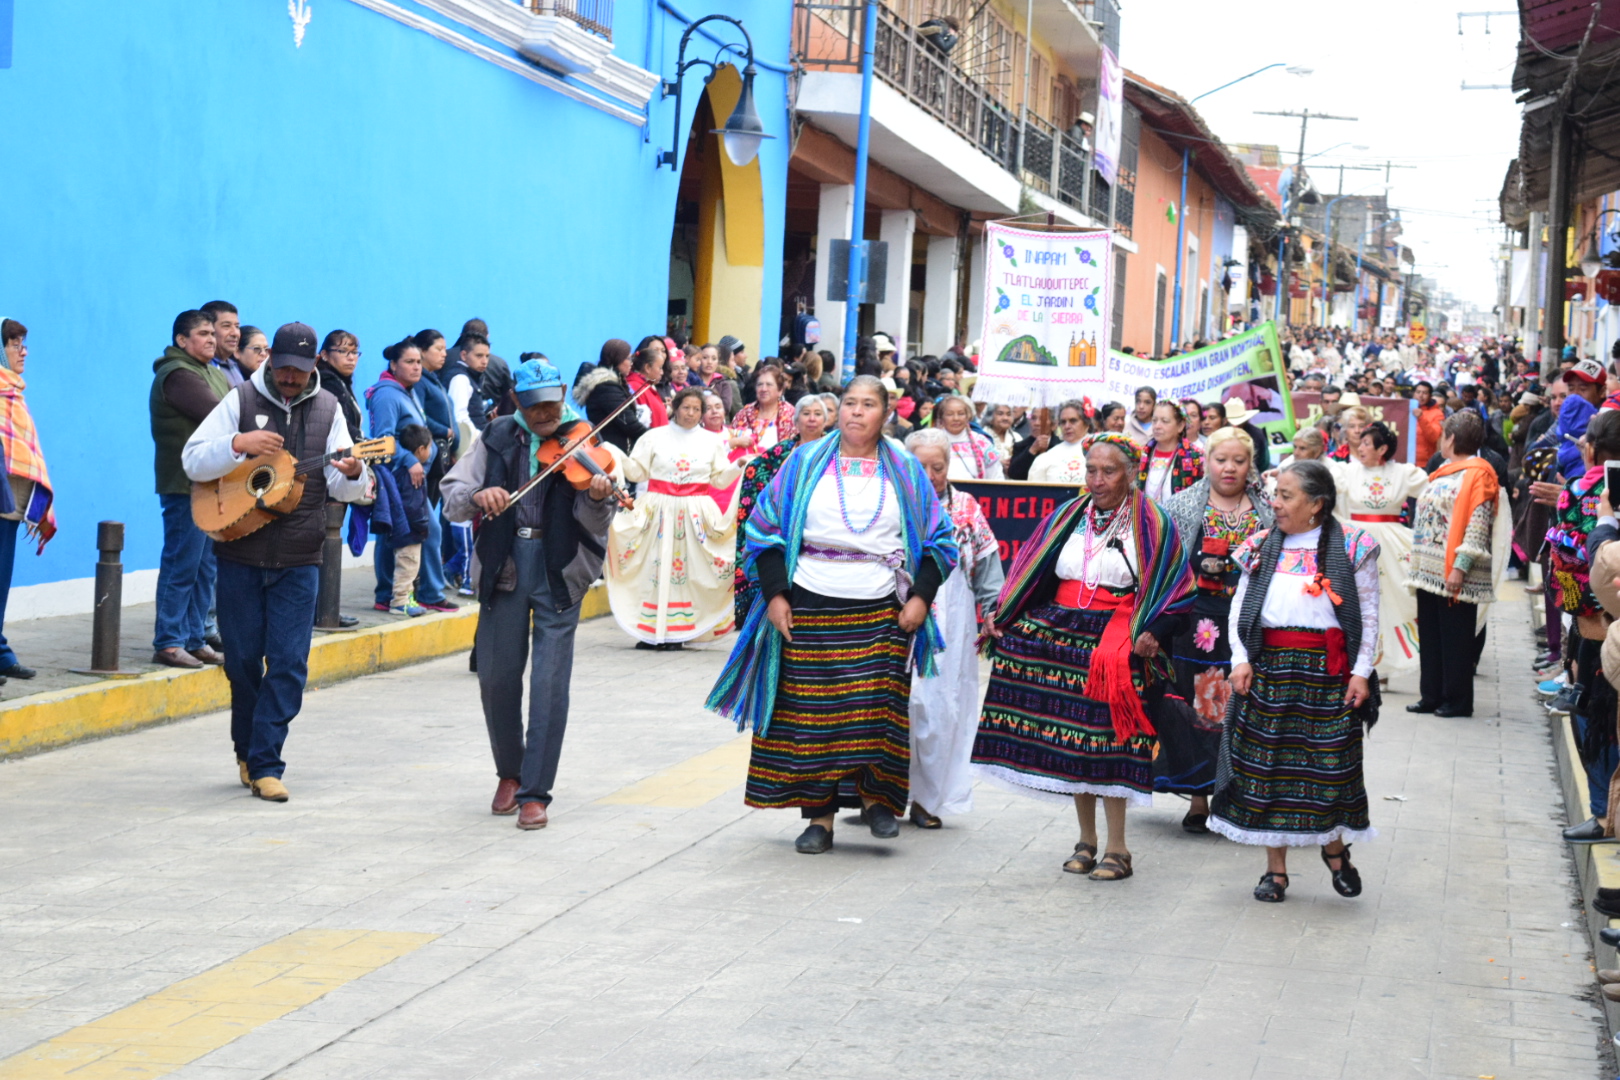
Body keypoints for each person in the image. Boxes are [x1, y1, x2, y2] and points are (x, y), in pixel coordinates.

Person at [706, 376, 957, 855]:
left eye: (868, 405)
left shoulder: (903, 466)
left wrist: (920, 598)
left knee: (876, 713)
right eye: (849, 403)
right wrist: (777, 594)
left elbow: (940, 540)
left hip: (882, 606)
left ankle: (877, 801)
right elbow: (763, 528)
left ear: (886, 414)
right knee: (812, 718)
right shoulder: (803, 461)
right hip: (810, 603)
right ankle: (818, 819)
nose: (856, 413)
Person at [973, 433, 1194, 882]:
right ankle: (1085, 840)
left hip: (1118, 636)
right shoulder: (1069, 516)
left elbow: (1179, 589)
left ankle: (1118, 847)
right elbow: (1032, 571)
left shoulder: (1153, 523)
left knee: (1110, 741)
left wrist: (1154, 632)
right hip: (1067, 629)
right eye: (1090, 470)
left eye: (1108, 471)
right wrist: (1004, 614)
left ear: (1132, 474)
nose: (1096, 480)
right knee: (1073, 740)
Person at [181, 322, 370, 801]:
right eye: (284, 368)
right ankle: (246, 749)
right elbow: (192, 460)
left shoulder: (329, 409)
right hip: (239, 552)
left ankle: (267, 762)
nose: (291, 378)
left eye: (301, 371)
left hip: (300, 557)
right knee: (242, 662)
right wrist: (237, 445)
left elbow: (351, 489)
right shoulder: (240, 401)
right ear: (270, 362)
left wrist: (354, 469)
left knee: (288, 663)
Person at [441, 359, 618, 830]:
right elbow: (453, 493)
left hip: (560, 568)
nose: (547, 416)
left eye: (553, 404)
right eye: (535, 406)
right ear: (517, 401)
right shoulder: (496, 436)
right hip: (505, 565)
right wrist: (479, 497)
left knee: (549, 684)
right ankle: (510, 772)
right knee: (497, 679)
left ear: (564, 395)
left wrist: (598, 497)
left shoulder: (584, 438)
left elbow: (596, 521)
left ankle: (536, 792)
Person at [1211, 460, 1380, 902]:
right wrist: (1241, 658)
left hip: (1329, 675)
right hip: (1269, 672)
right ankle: (1276, 872)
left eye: (1287, 496)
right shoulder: (1260, 547)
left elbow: (1368, 614)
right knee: (1268, 773)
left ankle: (1336, 853)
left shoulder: (1354, 547)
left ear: (1317, 505)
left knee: (1330, 771)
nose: (1275, 503)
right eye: (1275, 494)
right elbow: (1239, 612)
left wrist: (1361, 671)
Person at [1160, 428, 1273, 829]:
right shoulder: (1182, 506)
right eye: (1221, 460)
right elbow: (1167, 566)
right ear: (1206, 462)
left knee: (1243, 707)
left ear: (1250, 464)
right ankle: (1197, 799)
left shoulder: (1269, 509)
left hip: (1248, 624)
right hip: (1196, 626)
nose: (1229, 468)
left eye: (1238, 461)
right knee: (1198, 707)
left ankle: (1239, 794)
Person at [903, 428, 1004, 828]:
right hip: (898, 610)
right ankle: (883, 794)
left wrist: (993, 609)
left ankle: (928, 799)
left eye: (938, 467)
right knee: (899, 705)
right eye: (920, 466)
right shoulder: (891, 500)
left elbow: (987, 562)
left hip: (952, 614)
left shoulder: (963, 505)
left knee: (941, 707)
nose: (929, 475)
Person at [608, 387, 744, 649]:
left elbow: (717, 479)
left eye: (696, 409)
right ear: (676, 408)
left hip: (695, 516)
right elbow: (637, 472)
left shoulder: (711, 440)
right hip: (658, 512)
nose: (690, 413)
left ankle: (677, 632)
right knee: (656, 568)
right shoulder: (653, 437)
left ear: (702, 413)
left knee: (686, 571)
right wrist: (615, 454)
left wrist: (738, 466)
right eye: (686, 408)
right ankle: (652, 631)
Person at [1407, 410, 1504, 718]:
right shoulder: (1444, 469)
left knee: (1455, 639)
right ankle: (1431, 695)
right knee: (1433, 636)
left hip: (1454, 572)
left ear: (1451, 438)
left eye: (1443, 434)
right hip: (1429, 570)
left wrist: (1459, 567)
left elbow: (1477, 525)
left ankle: (1457, 700)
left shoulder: (1479, 474)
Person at [150, 310, 228, 669]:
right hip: (185, 485)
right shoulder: (178, 374)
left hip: (213, 485)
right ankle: (168, 641)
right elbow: (220, 414)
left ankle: (194, 638)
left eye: (213, 333)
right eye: (203, 333)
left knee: (205, 567)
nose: (212, 339)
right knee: (182, 563)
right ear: (182, 340)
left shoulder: (211, 371)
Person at [1329, 421, 1428, 677]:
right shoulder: (1347, 471)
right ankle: (1357, 661)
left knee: (1395, 598)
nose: (1360, 447)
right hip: (1355, 540)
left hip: (1391, 542)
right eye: (1359, 442)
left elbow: (1432, 492)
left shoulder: (1404, 473)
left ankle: (1387, 663)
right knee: (1356, 599)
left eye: (1366, 443)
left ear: (1382, 448)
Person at [365, 337, 457, 614]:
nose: (417, 367)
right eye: (409, 362)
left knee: (394, 534)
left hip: (411, 479)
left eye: (418, 362)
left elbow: (421, 423)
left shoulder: (408, 392)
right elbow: (383, 438)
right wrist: (409, 460)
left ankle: (389, 593)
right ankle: (428, 591)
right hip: (399, 478)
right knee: (426, 530)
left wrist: (442, 431)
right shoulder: (387, 395)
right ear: (393, 365)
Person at [733, 397, 832, 624]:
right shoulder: (783, 450)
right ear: (796, 419)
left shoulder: (835, 450)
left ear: (825, 420)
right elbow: (755, 471)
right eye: (806, 413)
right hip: (786, 525)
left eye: (818, 414)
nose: (812, 419)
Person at [0, 319, 56, 680]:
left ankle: (0, 651)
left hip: (8, 504)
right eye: (14, 342)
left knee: (2, 578)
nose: (24, 351)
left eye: (23, 341)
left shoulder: (12, 391)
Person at [384, 424, 435, 617]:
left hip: (405, 531)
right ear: (421, 450)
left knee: (410, 568)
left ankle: (408, 598)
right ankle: (399, 602)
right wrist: (422, 525)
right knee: (407, 567)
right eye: (429, 447)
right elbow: (412, 506)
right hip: (410, 532)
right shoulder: (412, 476)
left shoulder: (399, 471)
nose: (430, 452)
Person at [574, 339, 651, 454]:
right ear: (617, 360)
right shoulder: (606, 387)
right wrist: (654, 438)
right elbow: (629, 424)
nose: (631, 363)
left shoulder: (611, 384)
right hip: (614, 453)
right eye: (628, 358)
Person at [1139, 401, 1204, 503]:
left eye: (1165, 421)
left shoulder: (1195, 457)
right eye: (1154, 420)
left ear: (1180, 426)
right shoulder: (1142, 454)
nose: (1157, 426)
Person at [933, 395, 1004, 480]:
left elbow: (996, 476)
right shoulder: (932, 442)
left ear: (968, 416)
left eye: (961, 414)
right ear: (941, 418)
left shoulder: (981, 442)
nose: (956, 418)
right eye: (949, 414)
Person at [730, 365, 794, 453]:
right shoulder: (744, 414)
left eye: (769, 384)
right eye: (760, 384)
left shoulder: (791, 415)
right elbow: (730, 443)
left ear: (780, 391)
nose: (763, 389)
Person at [1025, 401, 1091, 483]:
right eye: (1063, 422)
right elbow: (1036, 492)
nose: (1067, 426)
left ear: (1086, 423)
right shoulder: (1047, 457)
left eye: (1073, 421)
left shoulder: (1099, 450)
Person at [625, 336, 670, 429]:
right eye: (660, 368)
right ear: (648, 368)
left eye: (663, 350)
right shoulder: (635, 387)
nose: (662, 372)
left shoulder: (646, 386)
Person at [202, 300, 246, 388]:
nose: (235, 333)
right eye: (226, 326)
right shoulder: (202, 369)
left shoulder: (234, 366)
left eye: (237, 327)